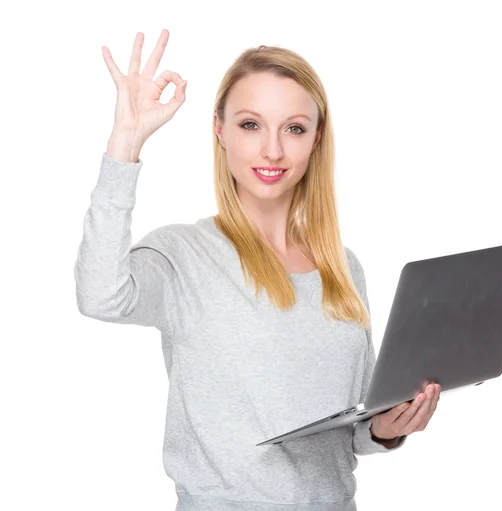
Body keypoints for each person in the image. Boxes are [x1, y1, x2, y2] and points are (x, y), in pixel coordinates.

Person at [74, 29, 441, 511]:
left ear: (316, 139)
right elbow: (100, 295)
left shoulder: (343, 266)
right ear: (220, 130)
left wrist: (386, 429)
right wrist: (124, 146)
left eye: (293, 128)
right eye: (251, 125)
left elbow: (354, 429)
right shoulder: (183, 254)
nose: (272, 151)